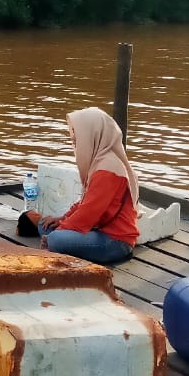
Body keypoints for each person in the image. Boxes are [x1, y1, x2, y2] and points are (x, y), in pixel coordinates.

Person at [36, 107, 139, 265]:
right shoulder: (100, 161)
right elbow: (85, 202)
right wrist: (62, 219)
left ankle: (61, 243)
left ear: (94, 133)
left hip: (115, 241)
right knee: (44, 226)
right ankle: (62, 241)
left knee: (56, 239)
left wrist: (59, 232)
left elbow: (88, 213)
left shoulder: (109, 168)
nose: (75, 139)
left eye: (80, 134)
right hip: (97, 230)